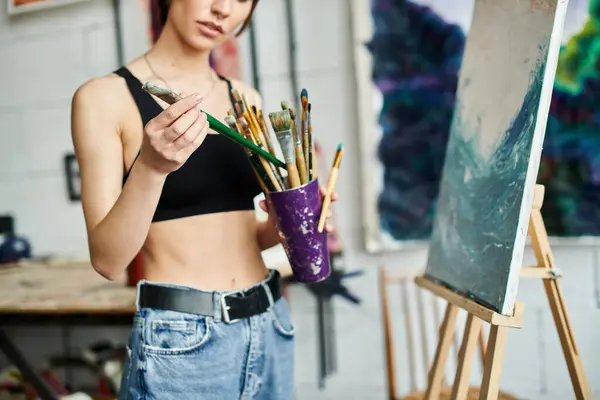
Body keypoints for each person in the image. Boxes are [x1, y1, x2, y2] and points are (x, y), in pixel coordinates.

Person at [70, 0, 338, 398]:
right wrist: (151, 166)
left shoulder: (246, 99)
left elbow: (245, 233)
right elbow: (109, 261)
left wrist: (291, 222)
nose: (222, 9)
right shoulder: (104, 98)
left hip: (269, 322)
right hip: (183, 342)